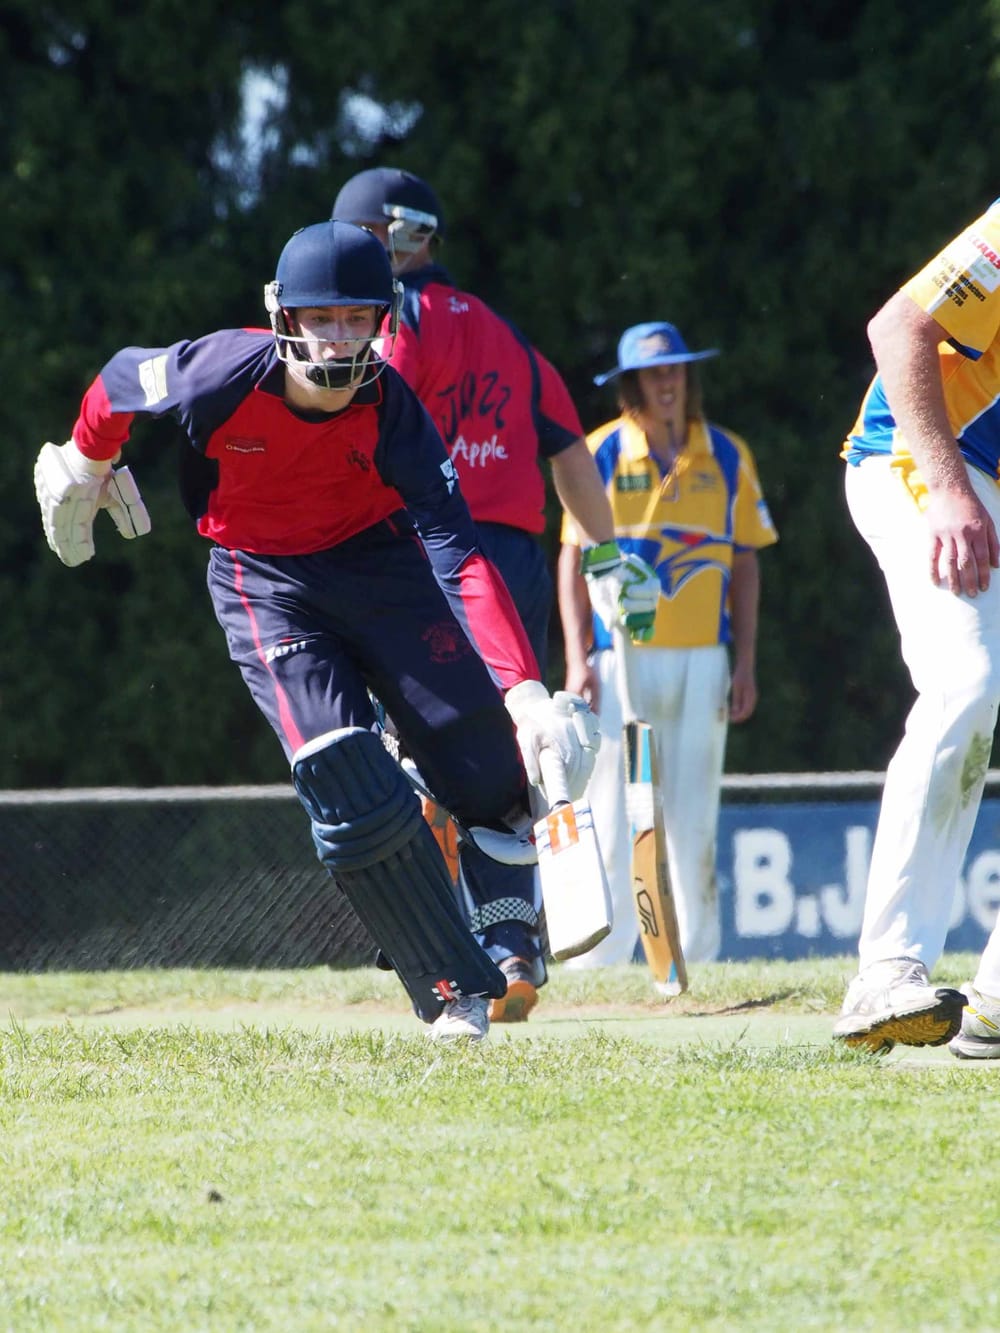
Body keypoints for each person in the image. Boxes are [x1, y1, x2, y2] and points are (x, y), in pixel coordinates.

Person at [30, 219, 643, 1044]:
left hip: (379, 566)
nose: (340, 337)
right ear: (284, 315)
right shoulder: (220, 369)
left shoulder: (395, 409)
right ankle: (449, 986)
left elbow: (458, 554)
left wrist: (526, 693)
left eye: (359, 318)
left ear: (383, 320)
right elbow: (116, 381)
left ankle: (507, 941)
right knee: (343, 775)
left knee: (490, 761)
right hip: (262, 577)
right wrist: (85, 459)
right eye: (324, 318)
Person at [331, 167, 659, 1019]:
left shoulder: (392, 321)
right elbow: (572, 453)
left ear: (386, 238)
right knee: (513, 750)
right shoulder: (507, 337)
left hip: (426, 554)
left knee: (405, 743)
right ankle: (514, 946)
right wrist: (609, 558)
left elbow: (360, 425)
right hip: (508, 562)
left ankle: (425, 917)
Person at [557, 322, 778, 969]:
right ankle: (596, 965)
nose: (667, 381)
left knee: (692, 816)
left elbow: (745, 563)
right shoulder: (597, 452)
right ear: (630, 383)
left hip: (703, 656)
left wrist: (745, 661)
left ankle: (695, 961)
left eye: (676, 368)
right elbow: (573, 560)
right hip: (620, 654)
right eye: (654, 372)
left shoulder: (729, 454)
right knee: (612, 806)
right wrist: (576, 657)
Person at [836, 195, 1000, 1056]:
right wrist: (949, 491)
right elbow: (898, 329)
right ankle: (886, 973)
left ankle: (996, 1006)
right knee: (966, 681)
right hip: (918, 460)